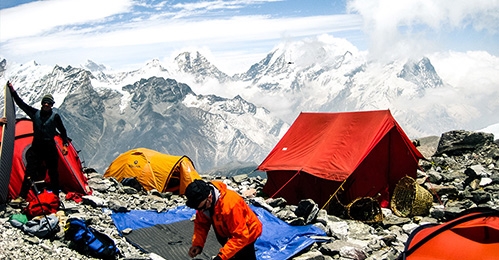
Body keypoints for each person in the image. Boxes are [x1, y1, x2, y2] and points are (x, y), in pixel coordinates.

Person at [7, 82, 69, 202]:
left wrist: (65, 144)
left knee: (53, 172)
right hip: (36, 147)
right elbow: (21, 104)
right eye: (44, 102)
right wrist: (13, 92)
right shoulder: (34, 113)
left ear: (51, 105)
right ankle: (22, 196)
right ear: (42, 104)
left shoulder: (55, 117)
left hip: (50, 147)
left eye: (48, 103)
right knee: (30, 171)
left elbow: (63, 131)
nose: (46, 104)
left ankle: (55, 195)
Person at [185, 179, 262, 260]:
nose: (201, 210)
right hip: (224, 229)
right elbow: (201, 224)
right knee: (231, 252)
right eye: (197, 208)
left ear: (209, 197)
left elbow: (240, 237)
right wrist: (198, 244)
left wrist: (221, 257)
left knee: (244, 254)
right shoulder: (203, 203)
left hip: (248, 232)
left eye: (202, 207)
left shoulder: (230, 204)